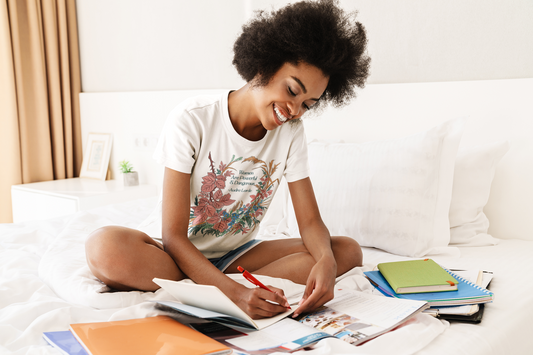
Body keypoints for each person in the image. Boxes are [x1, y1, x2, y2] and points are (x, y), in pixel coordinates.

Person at [85, 0, 370, 320]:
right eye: (292, 90)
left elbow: (309, 222)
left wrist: (326, 264)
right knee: (103, 247)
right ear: (265, 65)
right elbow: (174, 237)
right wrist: (234, 294)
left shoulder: (291, 132)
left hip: (236, 255)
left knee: (345, 250)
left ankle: (207, 285)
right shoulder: (193, 119)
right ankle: (217, 286)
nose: (294, 109)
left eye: (308, 104)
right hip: (169, 254)